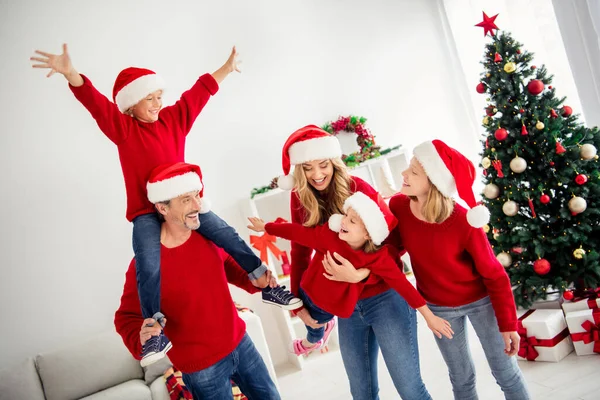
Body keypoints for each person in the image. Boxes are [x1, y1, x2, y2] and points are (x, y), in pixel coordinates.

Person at [29, 44, 301, 366]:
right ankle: (155, 329)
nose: (158, 103)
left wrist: (226, 69)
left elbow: (197, 94)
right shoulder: (125, 130)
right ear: (131, 105)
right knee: (148, 263)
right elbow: (98, 106)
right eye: (150, 99)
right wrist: (73, 75)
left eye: (159, 96)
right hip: (146, 214)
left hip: (185, 206)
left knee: (227, 235)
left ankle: (264, 282)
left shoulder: (173, 120)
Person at [325, 139, 531, 400]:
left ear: (433, 181)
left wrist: (508, 324)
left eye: (413, 171)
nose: (404, 173)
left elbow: (494, 274)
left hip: (480, 301)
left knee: (505, 372)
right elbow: (389, 254)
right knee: (461, 378)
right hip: (440, 308)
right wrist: (363, 271)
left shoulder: (464, 222)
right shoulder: (399, 207)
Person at [275, 125, 433, 399]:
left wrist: (362, 275)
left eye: (323, 165)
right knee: (362, 392)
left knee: (410, 389)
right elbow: (300, 251)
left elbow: (392, 247)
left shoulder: (358, 188)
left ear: (333, 162)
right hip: (347, 304)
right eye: (307, 168)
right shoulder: (300, 197)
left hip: (385, 297)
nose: (316, 175)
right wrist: (297, 305)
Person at [114, 162, 281, 400]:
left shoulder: (207, 237)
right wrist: (140, 337)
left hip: (241, 343)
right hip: (201, 368)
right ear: (162, 207)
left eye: (197, 196)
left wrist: (255, 281)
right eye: (186, 200)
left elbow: (228, 267)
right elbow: (125, 318)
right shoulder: (145, 265)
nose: (197, 205)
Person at [247, 190, 453, 356]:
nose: (343, 221)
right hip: (307, 289)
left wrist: (429, 317)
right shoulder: (329, 235)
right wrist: (266, 226)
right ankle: (300, 312)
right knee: (300, 304)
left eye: (352, 221)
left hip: (326, 308)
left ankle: (314, 338)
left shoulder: (378, 259)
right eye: (345, 216)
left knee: (315, 323)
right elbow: (297, 232)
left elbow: (404, 286)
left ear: (368, 234)